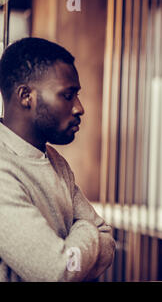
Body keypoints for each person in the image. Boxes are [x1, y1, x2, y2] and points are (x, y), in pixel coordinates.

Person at [0, 37, 115, 281]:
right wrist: (86, 227)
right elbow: (56, 271)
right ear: (26, 96)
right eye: (68, 95)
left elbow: (109, 241)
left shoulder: (54, 160)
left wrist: (71, 254)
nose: (79, 108)